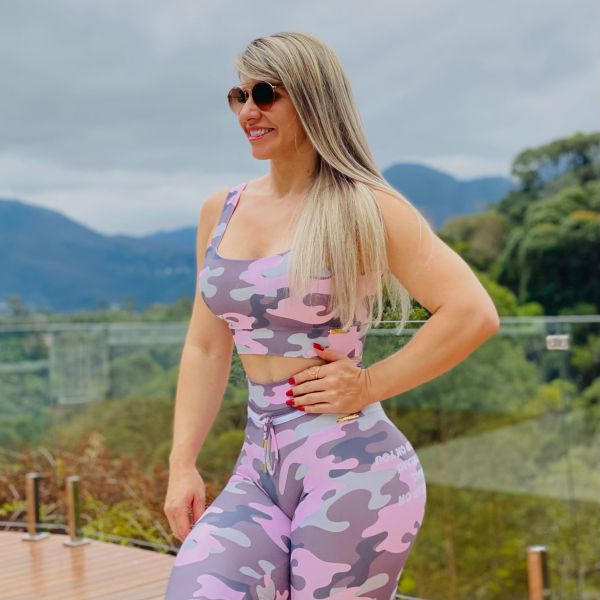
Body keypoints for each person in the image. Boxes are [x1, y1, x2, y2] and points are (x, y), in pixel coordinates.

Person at [164, 31, 500, 600]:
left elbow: (472, 313)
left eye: (265, 94)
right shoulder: (221, 210)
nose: (248, 111)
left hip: (356, 472)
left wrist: (369, 384)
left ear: (313, 98)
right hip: (259, 468)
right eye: (239, 96)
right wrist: (182, 464)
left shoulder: (365, 206)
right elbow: (206, 346)